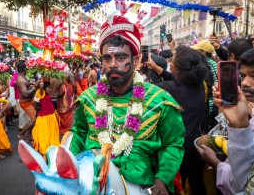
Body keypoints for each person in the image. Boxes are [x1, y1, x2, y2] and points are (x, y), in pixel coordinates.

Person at [69, 15, 185, 194]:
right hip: (91, 185)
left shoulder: (159, 100)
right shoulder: (89, 98)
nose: (113, 65)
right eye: (107, 58)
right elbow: (78, 134)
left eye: (121, 57)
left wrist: (162, 178)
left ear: (136, 61)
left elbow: (173, 143)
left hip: (140, 186)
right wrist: (68, 167)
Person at [157, 46, 212, 194]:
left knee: (175, 186)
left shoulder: (163, 89)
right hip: (197, 146)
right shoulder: (202, 85)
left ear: (176, 68)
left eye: (172, 60)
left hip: (175, 149)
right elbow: (176, 81)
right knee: (196, 182)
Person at [198, 48, 254, 194]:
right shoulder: (248, 113)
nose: (246, 83)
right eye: (243, 75)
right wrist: (239, 125)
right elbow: (246, 184)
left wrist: (217, 163)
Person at [31, 78, 60, 159]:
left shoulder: (46, 94)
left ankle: (53, 152)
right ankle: (45, 154)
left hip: (51, 117)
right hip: (44, 119)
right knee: (45, 136)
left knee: (52, 135)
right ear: (43, 88)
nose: (50, 89)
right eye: (49, 88)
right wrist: (41, 82)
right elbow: (41, 89)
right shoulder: (41, 93)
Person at [15, 60, 36, 142]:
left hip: (30, 100)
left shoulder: (23, 76)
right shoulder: (20, 79)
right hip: (25, 102)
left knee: (33, 118)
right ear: (25, 68)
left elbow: (26, 86)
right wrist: (34, 87)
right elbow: (25, 93)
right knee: (34, 119)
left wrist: (31, 83)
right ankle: (21, 134)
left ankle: (29, 136)